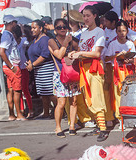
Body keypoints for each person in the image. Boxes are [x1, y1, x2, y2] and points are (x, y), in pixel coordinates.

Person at [69, 5, 109, 142]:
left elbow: (97, 53)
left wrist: (79, 53)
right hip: (84, 68)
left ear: (95, 16)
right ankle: (98, 124)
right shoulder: (84, 33)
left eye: (88, 15)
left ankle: (103, 128)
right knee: (88, 98)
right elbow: (81, 49)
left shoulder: (100, 32)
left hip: (94, 67)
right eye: (84, 16)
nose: (85, 18)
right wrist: (74, 53)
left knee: (97, 97)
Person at [49, 18, 81, 137]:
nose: (62, 29)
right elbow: (59, 54)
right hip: (59, 74)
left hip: (72, 72)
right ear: (55, 29)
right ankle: (58, 127)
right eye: (59, 27)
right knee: (61, 102)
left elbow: (79, 51)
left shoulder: (73, 40)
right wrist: (66, 43)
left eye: (64, 27)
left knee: (74, 101)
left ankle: (72, 125)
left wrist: (75, 53)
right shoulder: (52, 41)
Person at [104, 20, 136, 127]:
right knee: (118, 95)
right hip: (117, 72)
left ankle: (128, 115)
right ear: (116, 32)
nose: (121, 33)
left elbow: (133, 59)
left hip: (128, 71)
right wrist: (116, 57)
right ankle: (120, 116)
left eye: (124, 30)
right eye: (119, 31)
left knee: (128, 94)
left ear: (127, 31)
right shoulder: (113, 44)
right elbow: (107, 58)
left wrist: (128, 60)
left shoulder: (130, 43)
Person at [27, 19, 57, 119]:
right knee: (44, 93)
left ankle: (60, 111)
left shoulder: (44, 39)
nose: (32, 30)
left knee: (50, 92)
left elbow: (44, 55)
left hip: (46, 69)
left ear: (40, 28)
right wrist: (31, 63)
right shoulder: (35, 40)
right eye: (31, 28)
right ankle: (46, 113)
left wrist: (33, 64)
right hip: (38, 70)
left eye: (34, 28)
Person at [0, 15, 26, 121]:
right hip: (12, 66)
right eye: (15, 22)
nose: (16, 25)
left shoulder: (7, 34)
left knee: (11, 90)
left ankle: (12, 114)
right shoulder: (7, 34)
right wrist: (11, 66)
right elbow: (1, 52)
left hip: (10, 65)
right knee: (17, 90)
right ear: (11, 23)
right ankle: (18, 114)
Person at [102, 11, 120, 127]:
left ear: (113, 22)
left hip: (117, 66)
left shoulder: (120, 31)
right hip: (106, 65)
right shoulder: (104, 31)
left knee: (117, 92)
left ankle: (119, 116)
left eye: (106, 21)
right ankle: (109, 117)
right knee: (106, 91)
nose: (104, 23)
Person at [12, 25, 33, 119]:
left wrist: (22, 31)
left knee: (25, 89)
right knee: (17, 90)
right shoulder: (11, 42)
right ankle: (21, 109)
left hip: (23, 67)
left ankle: (31, 109)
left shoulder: (23, 40)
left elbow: (28, 45)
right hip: (15, 67)